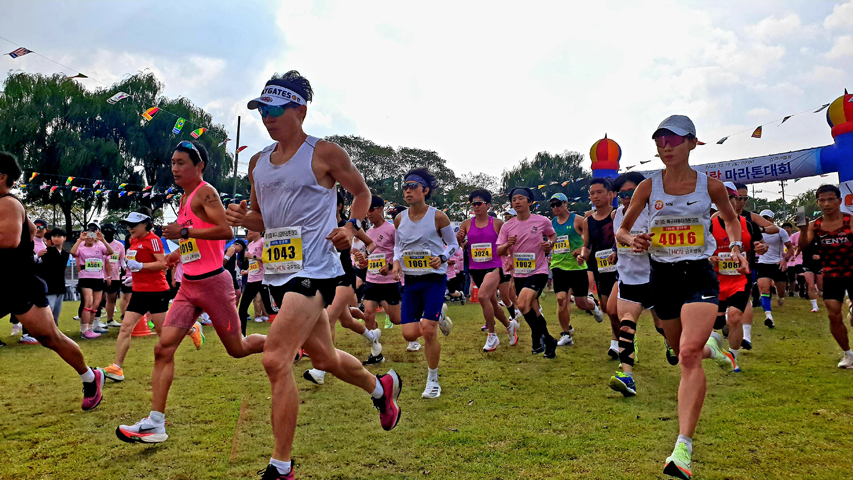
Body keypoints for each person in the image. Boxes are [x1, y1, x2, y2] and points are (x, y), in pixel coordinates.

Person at [225, 71, 401, 479]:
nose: (267, 118)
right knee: (323, 356)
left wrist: (352, 227)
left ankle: (281, 466)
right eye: (261, 111)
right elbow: (262, 218)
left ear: (299, 110)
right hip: (279, 270)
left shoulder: (323, 153)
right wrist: (240, 217)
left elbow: (361, 193)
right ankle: (382, 388)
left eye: (274, 110)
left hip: (317, 268)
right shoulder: (257, 163)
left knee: (275, 358)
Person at [616, 115, 744, 479]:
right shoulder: (647, 187)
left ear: (692, 142)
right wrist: (633, 240)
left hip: (699, 274)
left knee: (687, 354)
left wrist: (734, 244)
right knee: (680, 349)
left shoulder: (711, 186)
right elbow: (623, 230)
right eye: (660, 140)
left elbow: (731, 219)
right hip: (663, 277)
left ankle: (682, 448)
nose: (665, 146)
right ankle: (713, 348)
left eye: (673, 139)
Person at [116, 140, 267, 444]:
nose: (174, 168)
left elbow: (225, 231)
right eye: (172, 162)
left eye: (181, 162)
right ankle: (156, 423)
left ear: (199, 167)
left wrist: (183, 232)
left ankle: (291, 341)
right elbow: (193, 246)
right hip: (188, 287)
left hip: (214, 283)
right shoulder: (184, 199)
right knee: (163, 348)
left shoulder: (205, 192)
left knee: (237, 348)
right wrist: (175, 255)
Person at [0, 151, 105, 409]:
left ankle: (91, 378)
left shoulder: (8, 203)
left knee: (50, 338)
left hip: (18, 283)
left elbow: (10, 240)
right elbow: (32, 230)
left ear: (1, 177)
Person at [103, 210, 203, 383]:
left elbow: (162, 263)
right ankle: (117, 368)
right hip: (138, 292)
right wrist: (131, 277)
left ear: (145, 225)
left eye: (133, 225)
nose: (130, 228)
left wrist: (140, 266)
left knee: (162, 332)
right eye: (128, 225)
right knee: (125, 328)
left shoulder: (154, 240)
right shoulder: (133, 241)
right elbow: (136, 265)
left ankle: (192, 329)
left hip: (157, 292)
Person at [303, 190, 383, 383]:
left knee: (328, 318)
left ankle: (319, 370)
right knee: (346, 321)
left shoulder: (346, 226)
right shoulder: (317, 225)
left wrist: (366, 255)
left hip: (343, 278)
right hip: (323, 278)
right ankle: (373, 340)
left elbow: (370, 243)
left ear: (338, 205)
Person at [608, 173, 676, 397]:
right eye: (623, 195)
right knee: (626, 326)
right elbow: (619, 239)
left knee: (661, 323)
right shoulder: (617, 214)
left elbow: (668, 242)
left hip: (655, 277)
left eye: (632, 193)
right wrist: (616, 253)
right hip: (629, 279)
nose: (627, 199)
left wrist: (649, 245)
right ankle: (627, 377)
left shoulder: (655, 213)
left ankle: (670, 340)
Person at [391, 167, 457, 398]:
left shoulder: (438, 216)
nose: (407, 191)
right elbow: (398, 247)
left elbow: (454, 245)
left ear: (425, 190)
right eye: (405, 187)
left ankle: (433, 379)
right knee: (409, 334)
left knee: (427, 331)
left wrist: (442, 257)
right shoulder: (399, 218)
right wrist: (396, 262)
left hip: (434, 280)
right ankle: (438, 317)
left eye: (412, 187)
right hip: (411, 281)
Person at [497, 187, 558, 358]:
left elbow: (552, 236)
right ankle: (549, 340)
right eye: (514, 199)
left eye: (521, 198)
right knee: (534, 310)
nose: (516, 202)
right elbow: (499, 251)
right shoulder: (507, 226)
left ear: (530, 202)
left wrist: (550, 244)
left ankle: (536, 336)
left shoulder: (542, 221)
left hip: (538, 270)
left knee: (522, 305)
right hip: (519, 274)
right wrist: (508, 244)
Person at [796, 184, 853, 369]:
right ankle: (848, 354)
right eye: (822, 200)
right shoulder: (816, 225)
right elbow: (803, 247)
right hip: (831, 274)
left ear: (839, 201)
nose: (826, 204)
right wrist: (803, 230)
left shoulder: (850, 221)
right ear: (818, 202)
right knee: (833, 314)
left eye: (830, 199)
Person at [456, 189, 519, 352]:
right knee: (490, 300)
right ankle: (509, 325)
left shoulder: (497, 224)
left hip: (495, 265)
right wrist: (459, 239)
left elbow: (507, 245)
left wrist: (510, 261)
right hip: (476, 267)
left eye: (479, 204)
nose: (476, 207)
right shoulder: (467, 223)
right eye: (473, 204)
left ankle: (492, 335)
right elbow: (459, 244)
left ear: (488, 205)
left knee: (483, 296)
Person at [707, 185, 761, 373]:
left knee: (736, 317)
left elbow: (757, 246)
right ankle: (722, 339)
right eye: (723, 197)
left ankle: (733, 358)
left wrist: (761, 248)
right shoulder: (709, 225)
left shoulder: (747, 224)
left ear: (737, 200)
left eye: (732, 197)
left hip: (740, 279)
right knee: (719, 324)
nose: (728, 200)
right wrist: (709, 259)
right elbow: (700, 251)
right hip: (716, 281)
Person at [547, 192, 603, 347]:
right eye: (552, 205)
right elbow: (551, 241)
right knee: (561, 300)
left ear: (566, 204)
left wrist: (580, 250)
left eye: (558, 204)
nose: (555, 208)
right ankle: (566, 334)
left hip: (577, 267)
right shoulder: (551, 223)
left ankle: (593, 305)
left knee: (581, 303)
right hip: (558, 266)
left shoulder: (578, 220)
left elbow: (589, 240)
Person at [580, 178, 621, 358]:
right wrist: (582, 254)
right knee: (606, 307)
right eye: (592, 193)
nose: (595, 196)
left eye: (599, 192)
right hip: (601, 268)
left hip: (620, 267)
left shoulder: (618, 214)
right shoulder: (588, 221)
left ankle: (617, 341)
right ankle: (621, 337)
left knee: (613, 308)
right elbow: (587, 245)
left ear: (610, 194)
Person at [357, 195, 403, 340]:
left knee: (396, 319)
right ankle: (373, 345)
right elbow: (371, 256)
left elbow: (401, 252)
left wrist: (389, 266)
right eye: (367, 210)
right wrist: (364, 262)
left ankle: (421, 322)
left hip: (389, 281)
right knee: (368, 313)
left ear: (381, 209)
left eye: (372, 209)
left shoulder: (392, 229)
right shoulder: (368, 232)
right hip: (372, 280)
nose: (369, 213)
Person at [70, 222, 114, 339]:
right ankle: (84, 329)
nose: (90, 238)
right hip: (86, 278)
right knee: (88, 303)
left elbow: (110, 252)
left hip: (98, 278)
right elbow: (73, 253)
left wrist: (103, 240)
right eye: (87, 236)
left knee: (96, 304)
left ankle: (90, 328)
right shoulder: (81, 247)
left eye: (92, 236)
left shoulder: (100, 247)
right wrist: (80, 240)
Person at [755, 210, 792, 327]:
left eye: (768, 218)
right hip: (763, 263)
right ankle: (768, 316)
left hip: (778, 263)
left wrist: (784, 260)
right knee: (764, 290)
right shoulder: (757, 232)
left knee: (781, 292)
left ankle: (780, 297)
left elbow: (791, 249)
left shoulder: (780, 231)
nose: (765, 220)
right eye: (763, 218)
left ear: (773, 219)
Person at [238, 229, 277, 335]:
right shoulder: (250, 245)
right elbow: (253, 263)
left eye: (252, 229)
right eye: (248, 230)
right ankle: (242, 335)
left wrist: (253, 256)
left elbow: (269, 259)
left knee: (271, 309)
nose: (250, 232)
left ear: (259, 231)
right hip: (252, 280)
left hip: (263, 279)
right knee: (242, 308)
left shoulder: (264, 241)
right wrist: (247, 271)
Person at [38, 228, 71, 326]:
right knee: (49, 310)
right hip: (50, 286)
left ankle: (54, 331)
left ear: (64, 238)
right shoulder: (46, 252)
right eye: (54, 236)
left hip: (60, 286)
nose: (56, 238)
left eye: (59, 236)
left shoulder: (65, 254)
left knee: (56, 313)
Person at [100, 223, 125, 328]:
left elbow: (122, 260)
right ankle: (95, 321)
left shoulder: (119, 245)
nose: (108, 232)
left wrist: (125, 269)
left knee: (112, 298)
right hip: (100, 276)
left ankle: (109, 320)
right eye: (105, 230)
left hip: (114, 276)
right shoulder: (98, 244)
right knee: (98, 299)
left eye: (110, 230)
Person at [224, 238, 246, 307]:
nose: (239, 252)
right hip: (228, 274)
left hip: (232, 275)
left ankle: (233, 311)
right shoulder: (231, 249)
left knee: (238, 293)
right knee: (236, 294)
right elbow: (224, 260)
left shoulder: (232, 250)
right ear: (240, 246)